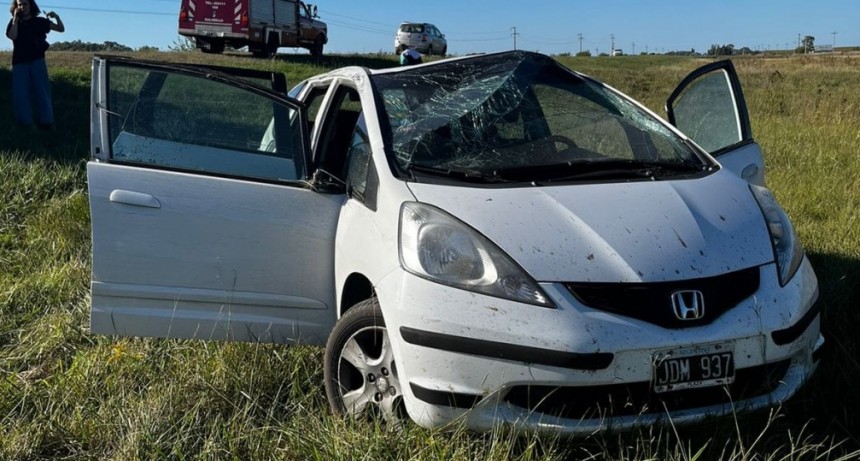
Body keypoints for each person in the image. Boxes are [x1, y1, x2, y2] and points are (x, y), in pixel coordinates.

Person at [6, 0, 64, 129]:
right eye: (19, 4)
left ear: (31, 5)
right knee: (20, 93)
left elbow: (60, 29)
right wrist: (15, 19)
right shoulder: (15, 22)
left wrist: (57, 17)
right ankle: (25, 123)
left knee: (42, 91)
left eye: (25, 4)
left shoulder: (40, 22)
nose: (22, 7)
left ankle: (46, 122)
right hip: (19, 62)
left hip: (37, 60)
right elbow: (12, 36)